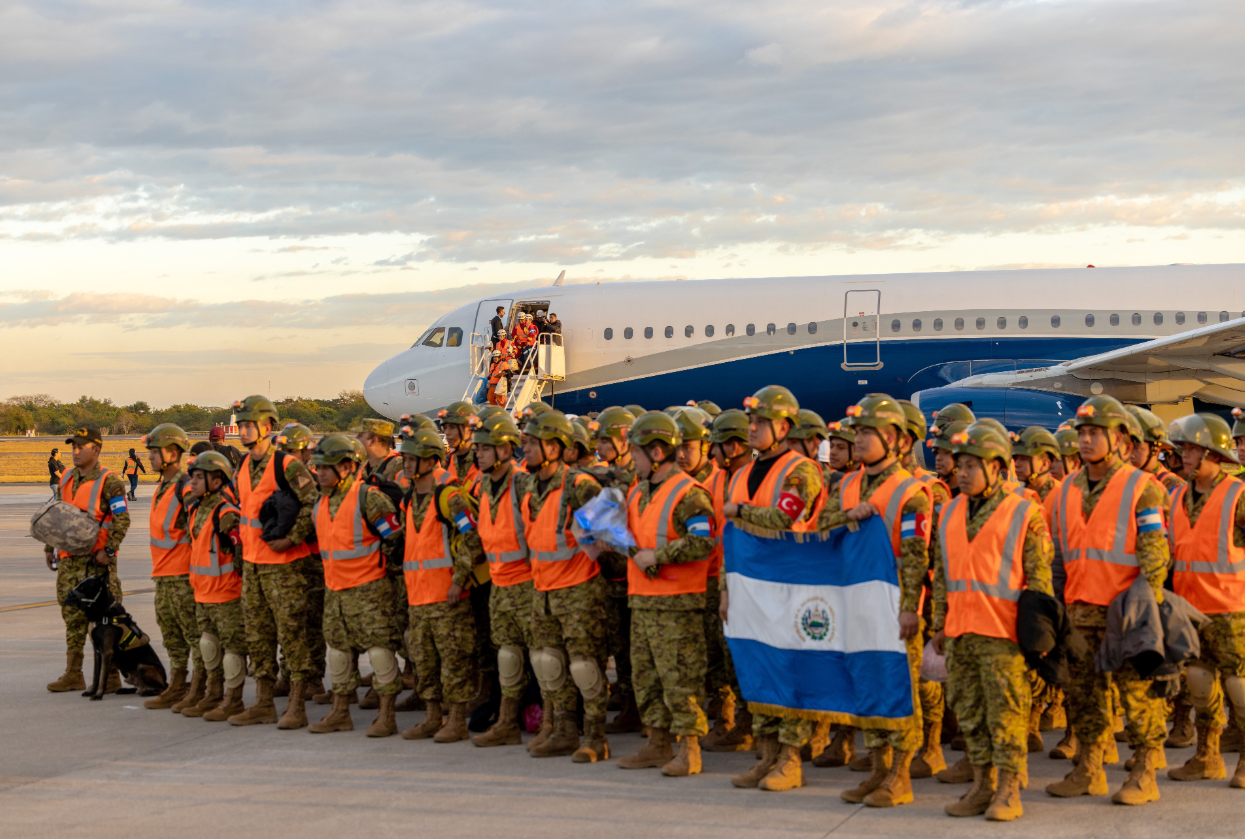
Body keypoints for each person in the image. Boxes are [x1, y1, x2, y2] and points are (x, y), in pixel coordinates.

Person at [1046, 395, 1170, 805]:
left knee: (1137, 699)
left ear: (1120, 438)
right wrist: (1057, 609)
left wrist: (1142, 610)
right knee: (1084, 699)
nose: (1085, 441)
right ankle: (1089, 771)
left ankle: (1145, 772)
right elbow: (1061, 555)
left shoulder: (1143, 488)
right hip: (1079, 613)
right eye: (1082, 433)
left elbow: (1155, 556)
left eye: (1095, 433)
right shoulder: (1066, 491)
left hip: (1125, 613)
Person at [931, 422, 1054, 821]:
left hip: (1003, 638)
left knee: (1006, 716)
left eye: (972, 465)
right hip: (962, 634)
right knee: (970, 714)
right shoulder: (948, 511)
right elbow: (943, 573)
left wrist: (1039, 636)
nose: (962, 472)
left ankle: (1009, 789)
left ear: (997, 467)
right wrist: (939, 624)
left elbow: (1039, 582)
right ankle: (982, 786)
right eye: (960, 464)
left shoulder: (1023, 512)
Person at [822, 394, 931, 807]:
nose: (861, 440)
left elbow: (916, 556)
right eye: (859, 432)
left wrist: (910, 609)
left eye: (869, 432)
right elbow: (823, 527)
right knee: (866, 687)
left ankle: (899, 776)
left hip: (892, 606)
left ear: (893, 438)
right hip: (855, 604)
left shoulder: (912, 492)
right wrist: (848, 517)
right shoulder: (847, 483)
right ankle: (878, 769)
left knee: (898, 690)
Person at [722, 385, 824, 792]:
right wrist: (727, 589)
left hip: (789, 587)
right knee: (759, 671)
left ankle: (789, 759)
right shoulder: (743, 473)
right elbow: (731, 539)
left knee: (788, 672)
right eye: (751, 421)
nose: (752, 428)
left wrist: (741, 510)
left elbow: (785, 518)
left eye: (761, 422)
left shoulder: (802, 471)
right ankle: (766, 755)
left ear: (784, 427)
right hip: (750, 589)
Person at [617, 412, 716, 776]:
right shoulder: (638, 491)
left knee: (679, 677)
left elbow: (702, 541)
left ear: (657, 452)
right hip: (642, 600)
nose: (633, 460)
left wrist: (657, 556)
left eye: (637, 453)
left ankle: (689, 749)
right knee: (646, 677)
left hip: (677, 604)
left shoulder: (690, 494)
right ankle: (657, 744)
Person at [518, 410, 611, 762]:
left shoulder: (579, 485)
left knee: (584, 667)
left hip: (578, 591)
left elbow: (609, 534)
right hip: (542, 591)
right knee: (548, 665)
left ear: (554, 447)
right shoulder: (530, 486)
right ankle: (563, 730)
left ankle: (596, 737)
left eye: (531, 442)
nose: (524, 448)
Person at [229, 395, 320, 729]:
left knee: (292, 634)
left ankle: (296, 706)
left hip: (284, 566)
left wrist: (292, 538)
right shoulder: (242, 465)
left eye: (249, 424)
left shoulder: (287, 465)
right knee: (258, 635)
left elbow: (313, 505)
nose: (243, 430)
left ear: (267, 427)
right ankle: (264, 703)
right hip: (253, 564)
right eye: (241, 425)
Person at [306, 434, 405, 737]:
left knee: (380, 653)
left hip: (370, 591)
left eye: (327, 467)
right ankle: (340, 712)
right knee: (338, 654)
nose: (319, 472)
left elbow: (395, 540)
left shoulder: (369, 498)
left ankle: (387, 715)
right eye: (318, 466)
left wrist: (381, 576)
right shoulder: (321, 502)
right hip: (335, 592)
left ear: (348, 467)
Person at [1165, 413, 1245, 787]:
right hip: (1189, 609)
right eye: (1182, 448)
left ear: (1214, 453)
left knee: (1238, 687)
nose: (1184, 454)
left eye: (1192, 448)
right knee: (1198, 683)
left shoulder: (1238, 495)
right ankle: (1206, 756)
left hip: (1232, 609)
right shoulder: (1178, 495)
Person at [397, 429, 482, 742]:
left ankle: (456, 720)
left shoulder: (449, 496)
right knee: (424, 660)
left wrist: (459, 580)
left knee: (454, 659)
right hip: (419, 596)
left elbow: (472, 537)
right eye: (404, 458)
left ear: (431, 460)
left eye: (412, 458)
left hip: (447, 596)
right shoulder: (408, 500)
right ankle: (433, 717)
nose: (406, 464)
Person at [44, 426, 130, 694]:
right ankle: (73, 673)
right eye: (73, 447)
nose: (75, 451)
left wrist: (111, 550)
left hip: (97, 563)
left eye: (81, 446)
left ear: (97, 449)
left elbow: (122, 518)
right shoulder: (67, 477)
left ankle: (112, 675)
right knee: (72, 616)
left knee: (104, 619)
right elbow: (58, 513)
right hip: (69, 561)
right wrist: (50, 546)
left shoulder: (110, 481)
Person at [470, 416, 535, 748]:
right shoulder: (484, 486)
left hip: (528, 584)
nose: (478, 454)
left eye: (485, 448)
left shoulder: (523, 483)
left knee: (543, 658)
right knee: (507, 657)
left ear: (507, 448)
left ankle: (554, 724)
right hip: (499, 584)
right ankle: (507, 722)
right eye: (477, 448)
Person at [181, 451, 248, 722]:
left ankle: (234, 700)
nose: (193, 483)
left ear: (218, 481)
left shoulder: (227, 513)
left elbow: (241, 554)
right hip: (203, 592)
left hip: (226, 594)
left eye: (200, 478)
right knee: (209, 647)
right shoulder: (197, 509)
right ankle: (213, 694)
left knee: (232, 651)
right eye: (193, 477)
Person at [701, 409, 753, 754]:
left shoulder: (754, 479)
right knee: (719, 659)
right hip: (716, 580)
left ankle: (750, 724)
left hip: (746, 583)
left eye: (716, 446)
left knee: (743, 660)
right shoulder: (715, 481)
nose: (711, 454)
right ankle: (731, 721)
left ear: (733, 446)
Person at [586, 407, 641, 735]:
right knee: (618, 642)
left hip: (633, 570)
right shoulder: (606, 474)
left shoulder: (637, 475)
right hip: (611, 570)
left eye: (607, 439)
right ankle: (625, 695)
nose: (601, 446)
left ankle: (635, 707)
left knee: (631, 645)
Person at [140, 423, 202, 711]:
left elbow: (198, 531)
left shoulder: (185, 486)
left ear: (173, 452)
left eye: (155, 451)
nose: (150, 457)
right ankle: (178, 684)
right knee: (172, 635)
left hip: (182, 575)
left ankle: (201, 688)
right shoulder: (164, 486)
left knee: (194, 634)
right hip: (164, 575)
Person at [274, 423, 328, 702]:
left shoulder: (315, 481)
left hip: (312, 560)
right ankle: (289, 673)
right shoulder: (281, 482)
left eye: (292, 451)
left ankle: (314, 678)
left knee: (311, 622)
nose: (287, 456)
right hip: (288, 561)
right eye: (283, 450)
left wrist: (292, 537)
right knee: (289, 621)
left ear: (308, 452)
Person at [1127, 406, 1183, 494]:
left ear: (1155, 450)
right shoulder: (1121, 480)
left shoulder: (1172, 487)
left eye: (1136, 446)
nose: (1128, 452)